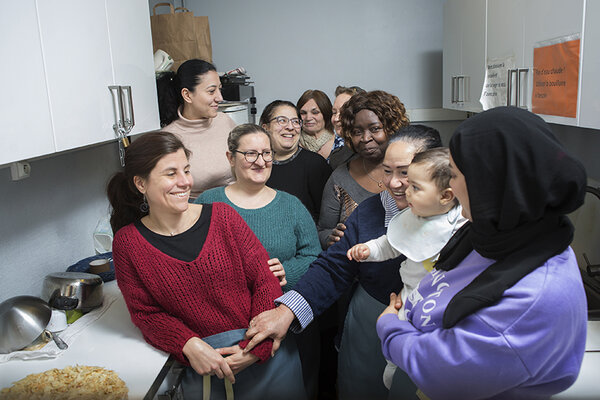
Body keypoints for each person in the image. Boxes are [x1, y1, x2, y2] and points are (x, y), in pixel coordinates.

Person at [376, 107, 587, 400]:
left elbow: (442, 370)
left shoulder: (537, 296)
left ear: (490, 184)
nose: (449, 184)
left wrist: (389, 327)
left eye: (456, 174)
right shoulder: (496, 233)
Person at [243, 125, 443, 400]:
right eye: (387, 171)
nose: (394, 183)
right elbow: (334, 267)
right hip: (370, 320)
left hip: (432, 326)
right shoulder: (370, 211)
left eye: (405, 172)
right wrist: (287, 311)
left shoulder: (459, 217)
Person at [107, 131, 306, 400]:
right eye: (170, 173)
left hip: (267, 358)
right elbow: (146, 313)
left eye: (187, 170)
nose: (184, 182)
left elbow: (264, 280)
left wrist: (255, 348)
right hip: (204, 369)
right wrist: (187, 344)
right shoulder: (128, 243)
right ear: (141, 184)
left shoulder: (222, 217)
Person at [194, 124, 322, 398]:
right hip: (222, 329)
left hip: (280, 326)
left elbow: (314, 257)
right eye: (250, 154)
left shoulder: (291, 206)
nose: (261, 161)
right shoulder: (207, 203)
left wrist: (289, 270)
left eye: (267, 153)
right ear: (231, 158)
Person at [347, 147, 467, 393]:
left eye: (415, 187)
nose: (405, 192)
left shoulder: (461, 224)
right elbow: (391, 243)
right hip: (409, 293)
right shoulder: (413, 217)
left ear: (446, 196)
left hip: (442, 299)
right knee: (397, 335)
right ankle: (393, 368)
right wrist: (368, 250)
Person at [318, 90, 410, 249]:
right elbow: (323, 231)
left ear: (392, 128)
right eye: (357, 132)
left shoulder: (415, 172)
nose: (365, 138)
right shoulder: (340, 178)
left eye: (375, 129)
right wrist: (330, 237)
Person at [156, 59, 236, 199]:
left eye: (220, 89)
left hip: (238, 204)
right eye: (211, 91)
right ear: (187, 95)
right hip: (199, 212)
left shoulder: (225, 121)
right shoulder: (168, 138)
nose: (220, 97)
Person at [259, 100, 332, 222]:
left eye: (295, 122)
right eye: (282, 120)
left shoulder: (315, 165)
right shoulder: (257, 165)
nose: (290, 127)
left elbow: (325, 219)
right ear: (265, 128)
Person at [329, 85, 366, 169]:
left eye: (343, 112)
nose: (336, 119)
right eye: (334, 112)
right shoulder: (336, 158)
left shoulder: (377, 152)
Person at [297, 89, 337, 160]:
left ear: (326, 114)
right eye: (303, 113)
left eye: (315, 112)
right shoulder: (292, 144)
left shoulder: (342, 144)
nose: (308, 118)